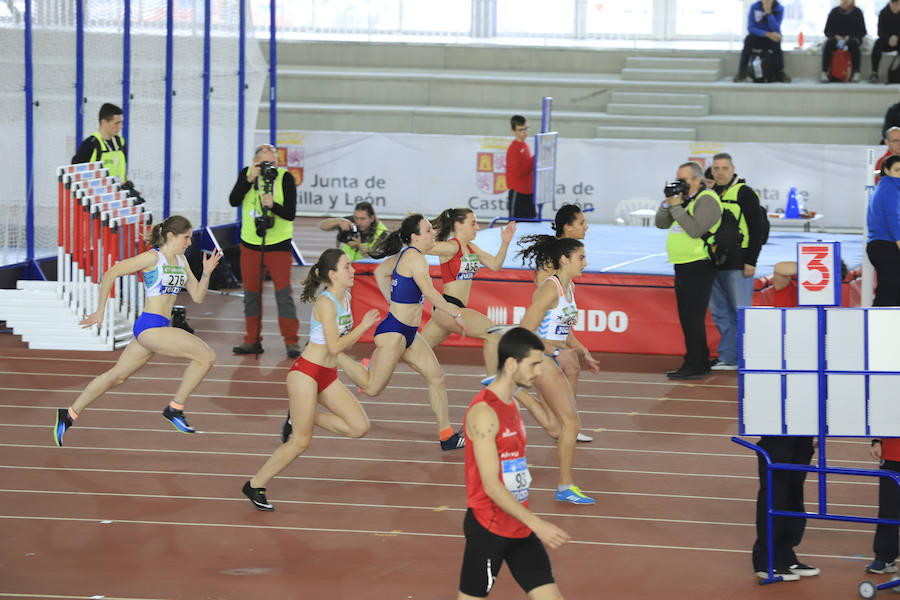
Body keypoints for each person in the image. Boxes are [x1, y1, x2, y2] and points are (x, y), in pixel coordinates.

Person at [52, 216, 222, 445]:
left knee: (117, 376)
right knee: (206, 356)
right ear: (171, 236)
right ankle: (175, 408)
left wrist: (207, 272)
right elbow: (111, 273)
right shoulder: (152, 258)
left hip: (160, 327)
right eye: (186, 237)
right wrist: (100, 311)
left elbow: (198, 297)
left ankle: (69, 413)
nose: (189, 242)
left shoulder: (181, 260)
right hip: (149, 326)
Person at [242, 248, 380, 510]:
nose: (352, 270)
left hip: (327, 375)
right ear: (332, 274)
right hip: (306, 374)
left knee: (359, 427)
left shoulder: (347, 297)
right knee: (300, 441)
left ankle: (299, 415)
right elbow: (335, 346)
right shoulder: (325, 304)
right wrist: (363, 327)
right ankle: (255, 484)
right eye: (347, 267)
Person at [336, 214, 469, 450]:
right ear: (415, 237)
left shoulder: (407, 255)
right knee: (372, 389)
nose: (433, 233)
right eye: (428, 230)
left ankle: (446, 435)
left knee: (437, 377)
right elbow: (429, 292)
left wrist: (392, 300)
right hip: (394, 333)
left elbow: (380, 273)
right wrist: (455, 313)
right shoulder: (416, 259)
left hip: (408, 333)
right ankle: (334, 352)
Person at [457, 327, 569, 600]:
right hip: (489, 526)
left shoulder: (512, 403)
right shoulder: (483, 413)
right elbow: (491, 484)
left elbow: (555, 426)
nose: (538, 372)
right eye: (533, 365)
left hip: (518, 523)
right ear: (511, 364)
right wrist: (537, 524)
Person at [513, 234, 595, 505]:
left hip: (554, 357)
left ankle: (517, 394)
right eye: (580, 258)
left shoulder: (568, 287)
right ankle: (565, 486)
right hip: (541, 359)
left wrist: (582, 350)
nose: (585, 262)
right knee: (571, 423)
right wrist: (554, 350)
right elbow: (526, 330)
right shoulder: (550, 288)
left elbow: (563, 329)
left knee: (556, 427)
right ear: (564, 259)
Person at [751, 260, 819, 581]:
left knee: (795, 487)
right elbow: (781, 268)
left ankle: (787, 553)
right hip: (775, 402)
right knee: (775, 486)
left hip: (806, 407)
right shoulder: (786, 292)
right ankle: (765, 558)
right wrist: (818, 268)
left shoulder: (827, 308)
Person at [524, 204, 598, 444]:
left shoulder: (569, 277)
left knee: (573, 367)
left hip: (555, 331)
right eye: (581, 223)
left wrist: (576, 342)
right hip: (543, 339)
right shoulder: (552, 272)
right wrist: (553, 344)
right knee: (554, 423)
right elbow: (540, 297)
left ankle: (568, 421)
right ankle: (563, 420)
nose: (586, 227)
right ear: (568, 227)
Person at [420, 208, 515, 373]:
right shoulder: (451, 247)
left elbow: (495, 265)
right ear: (458, 225)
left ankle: (371, 365)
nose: (477, 227)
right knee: (493, 333)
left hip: (451, 310)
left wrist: (505, 243)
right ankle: (493, 386)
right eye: (473, 223)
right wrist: (421, 235)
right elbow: (423, 247)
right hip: (449, 307)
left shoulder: (471, 248)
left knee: (414, 350)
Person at [229, 143, 301, 358]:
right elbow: (233, 200)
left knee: (283, 295)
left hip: (278, 245)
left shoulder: (285, 178)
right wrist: (248, 179)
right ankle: (251, 340)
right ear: (255, 161)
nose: (271, 162)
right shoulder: (247, 175)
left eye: (274, 158)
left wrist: (273, 206)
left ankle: (291, 342)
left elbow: (290, 213)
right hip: (251, 244)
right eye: (265, 158)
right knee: (251, 294)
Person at [655, 162, 723, 380]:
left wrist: (676, 206)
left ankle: (695, 364)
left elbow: (695, 230)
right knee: (686, 316)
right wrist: (668, 203)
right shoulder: (684, 199)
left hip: (700, 264)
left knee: (693, 316)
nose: (679, 184)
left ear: (696, 180)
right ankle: (698, 360)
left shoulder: (708, 200)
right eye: (677, 179)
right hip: (683, 263)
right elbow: (660, 223)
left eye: (683, 180)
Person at [708, 153, 766, 370]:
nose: (720, 172)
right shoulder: (711, 194)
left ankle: (750, 358)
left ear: (733, 169)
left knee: (741, 311)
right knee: (720, 312)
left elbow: (757, 228)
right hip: (713, 262)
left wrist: (751, 260)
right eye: (716, 168)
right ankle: (728, 357)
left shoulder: (745, 194)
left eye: (724, 167)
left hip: (739, 262)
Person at [867, 154, 900, 307]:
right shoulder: (890, 187)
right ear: (886, 170)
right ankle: (877, 328)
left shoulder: (886, 186)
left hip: (882, 244)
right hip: (886, 245)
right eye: (897, 170)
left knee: (891, 292)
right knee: (888, 293)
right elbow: (893, 219)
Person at [866, 436, 900, 574]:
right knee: (888, 507)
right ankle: (885, 557)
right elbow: (880, 415)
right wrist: (876, 441)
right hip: (891, 452)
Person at [734, 0, 790, 83]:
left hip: (771, 37)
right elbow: (751, 28)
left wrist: (769, 13)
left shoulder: (779, 8)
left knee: (777, 40)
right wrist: (766, 34)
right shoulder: (754, 6)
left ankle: (779, 72)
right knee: (748, 40)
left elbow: (776, 29)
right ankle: (742, 71)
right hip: (758, 36)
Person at [71, 103, 127, 181]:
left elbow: (123, 171)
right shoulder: (90, 144)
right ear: (103, 122)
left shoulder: (120, 142)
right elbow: (76, 175)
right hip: (97, 192)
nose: (121, 126)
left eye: (121, 122)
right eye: (116, 123)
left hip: (117, 192)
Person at [318, 201, 389, 261]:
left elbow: (375, 259)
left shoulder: (381, 233)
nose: (358, 222)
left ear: (372, 218)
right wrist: (338, 221)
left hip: (366, 272)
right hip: (347, 268)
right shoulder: (350, 222)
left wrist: (359, 246)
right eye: (356, 218)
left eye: (362, 219)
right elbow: (322, 226)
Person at [822, 0, 867, 83]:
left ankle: (856, 73)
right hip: (837, 39)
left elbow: (862, 31)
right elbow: (827, 31)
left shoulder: (857, 12)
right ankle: (824, 72)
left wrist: (849, 37)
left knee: (855, 43)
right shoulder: (834, 12)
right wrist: (836, 36)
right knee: (828, 43)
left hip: (851, 39)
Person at [506, 115, 535, 220]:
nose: (524, 132)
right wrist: (533, 160)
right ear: (513, 131)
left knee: (531, 226)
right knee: (516, 226)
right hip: (518, 194)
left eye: (526, 128)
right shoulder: (513, 148)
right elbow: (518, 172)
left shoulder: (525, 145)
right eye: (520, 130)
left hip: (529, 192)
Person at [872, 0, 900, 83]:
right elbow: (880, 32)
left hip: (898, 40)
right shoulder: (883, 13)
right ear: (890, 3)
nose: (896, 6)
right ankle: (874, 73)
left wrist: (897, 38)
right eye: (894, 4)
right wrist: (889, 39)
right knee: (877, 44)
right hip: (886, 41)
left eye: (898, 4)